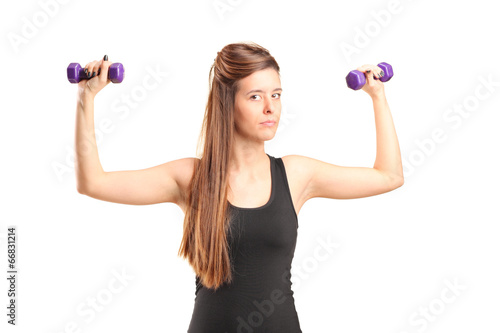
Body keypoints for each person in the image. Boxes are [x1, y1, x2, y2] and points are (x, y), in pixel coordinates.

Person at [74, 42, 404, 332]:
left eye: (276, 95)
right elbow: (93, 183)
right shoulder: (191, 178)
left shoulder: (295, 174)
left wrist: (378, 97)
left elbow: (389, 176)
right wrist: (86, 97)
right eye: (255, 96)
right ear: (227, 102)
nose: (270, 108)